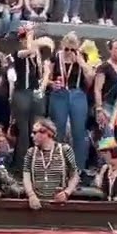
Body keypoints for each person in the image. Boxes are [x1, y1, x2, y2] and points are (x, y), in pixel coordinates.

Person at [47, 32, 94, 173]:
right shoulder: (55, 57)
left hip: (77, 93)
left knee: (79, 131)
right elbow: (46, 79)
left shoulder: (83, 57)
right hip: (59, 94)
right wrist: (51, 84)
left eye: (72, 49)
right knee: (58, 130)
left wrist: (81, 62)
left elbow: (91, 78)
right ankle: (55, 165)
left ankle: (78, 167)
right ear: (62, 46)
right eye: (66, 49)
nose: (68, 52)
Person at [8, 25, 52, 168]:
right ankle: (22, 167)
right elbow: (29, 50)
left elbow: (48, 46)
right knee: (24, 133)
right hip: (22, 93)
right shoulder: (17, 53)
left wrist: (42, 88)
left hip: (36, 94)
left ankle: (37, 166)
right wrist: (29, 35)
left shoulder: (40, 55)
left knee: (38, 132)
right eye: (23, 38)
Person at [21, 118, 78, 210]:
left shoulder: (64, 150)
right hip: (37, 203)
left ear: (47, 133)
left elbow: (74, 175)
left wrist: (67, 192)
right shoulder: (31, 152)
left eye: (35, 132)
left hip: (58, 204)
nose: (32, 135)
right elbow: (26, 176)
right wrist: (31, 195)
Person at [93, 39, 117, 152]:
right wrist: (99, 109)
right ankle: (103, 165)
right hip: (106, 106)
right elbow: (97, 89)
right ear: (110, 50)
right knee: (108, 138)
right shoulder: (104, 67)